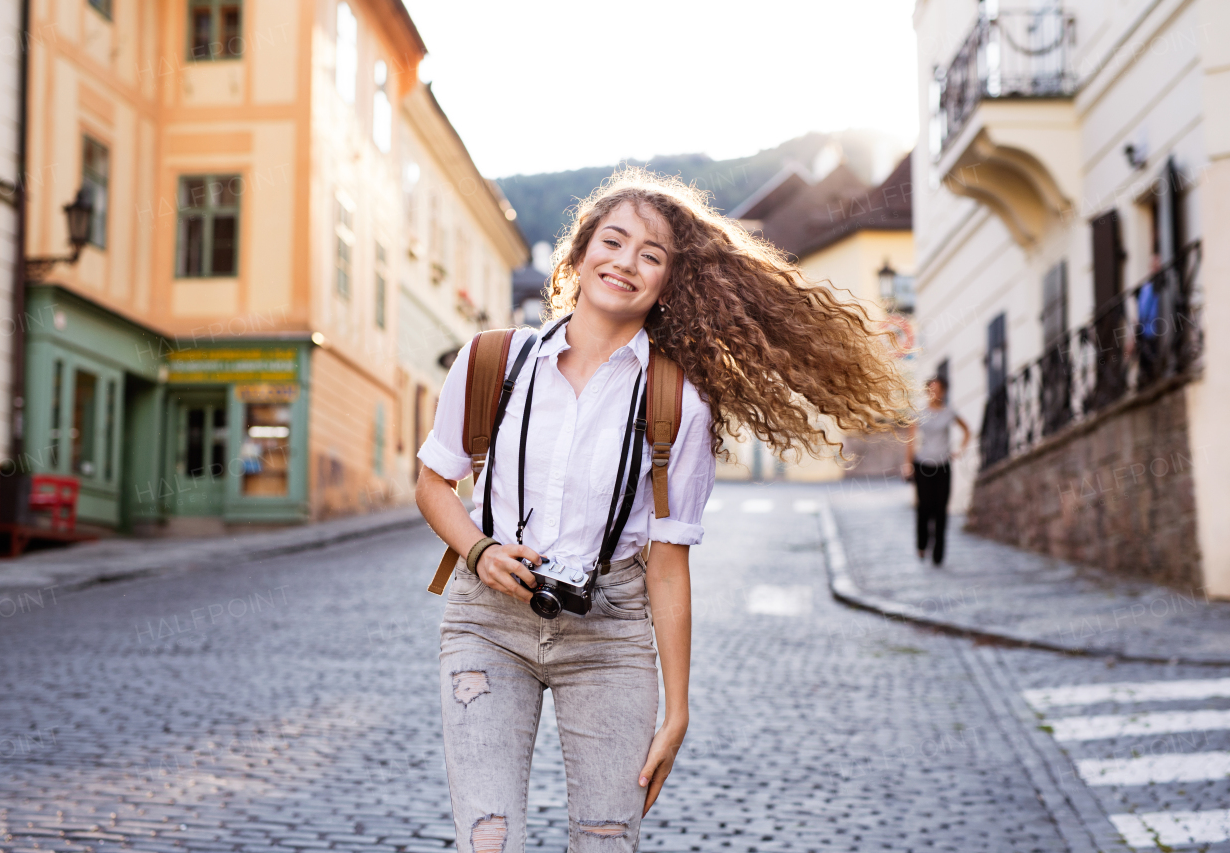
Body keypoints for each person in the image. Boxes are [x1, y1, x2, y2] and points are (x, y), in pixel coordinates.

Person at [415, 168, 909, 852]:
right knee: (488, 839)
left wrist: (677, 709)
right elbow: (433, 482)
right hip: (486, 624)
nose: (625, 262)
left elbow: (668, 565)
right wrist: (480, 549)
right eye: (612, 241)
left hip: (610, 634)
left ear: (670, 283)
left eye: (652, 255)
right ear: (580, 253)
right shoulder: (493, 360)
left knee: (606, 840)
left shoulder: (677, 402)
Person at [901, 376, 971, 566]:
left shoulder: (949, 412)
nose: (935, 393)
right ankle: (922, 545)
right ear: (927, 391)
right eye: (931, 389)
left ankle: (939, 553)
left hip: (943, 465)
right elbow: (910, 439)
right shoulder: (919, 413)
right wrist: (908, 464)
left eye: (939, 389)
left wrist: (960, 450)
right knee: (924, 508)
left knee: (941, 510)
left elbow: (967, 430)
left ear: (944, 392)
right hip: (923, 465)